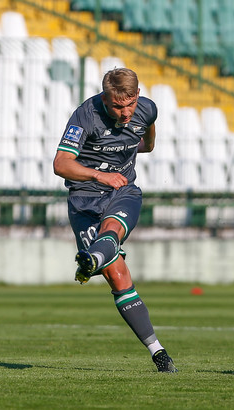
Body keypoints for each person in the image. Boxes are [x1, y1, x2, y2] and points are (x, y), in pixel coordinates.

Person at [53, 68, 177, 373]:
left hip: (122, 190)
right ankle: (157, 351)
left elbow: (147, 141)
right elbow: (60, 164)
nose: (125, 113)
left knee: (112, 231)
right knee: (118, 276)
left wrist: (132, 151)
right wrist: (99, 174)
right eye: (117, 106)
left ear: (137, 96)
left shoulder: (146, 109)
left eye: (130, 104)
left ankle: (92, 259)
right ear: (104, 98)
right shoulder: (85, 116)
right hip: (84, 199)